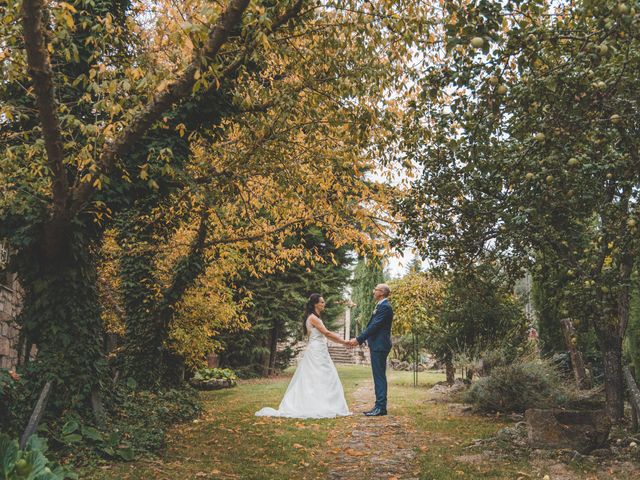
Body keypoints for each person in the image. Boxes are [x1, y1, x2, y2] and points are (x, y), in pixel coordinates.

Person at [255, 293, 351, 419]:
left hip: (319, 349)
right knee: (318, 375)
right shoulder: (313, 318)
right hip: (317, 351)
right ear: (315, 304)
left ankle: (323, 404)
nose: (324, 304)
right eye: (322, 302)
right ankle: (316, 405)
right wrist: (345, 342)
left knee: (320, 376)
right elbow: (326, 333)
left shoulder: (314, 317)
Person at [347, 283, 393, 416]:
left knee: (379, 377)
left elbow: (374, 326)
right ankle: (378, 405)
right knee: (378, 376)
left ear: (382, 293)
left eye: (376, 290)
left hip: (380, 345)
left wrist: (358, 339)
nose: (374, 292)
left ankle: (381, 407)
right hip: (377, 345)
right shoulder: (381, 306)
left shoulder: (385, 307)